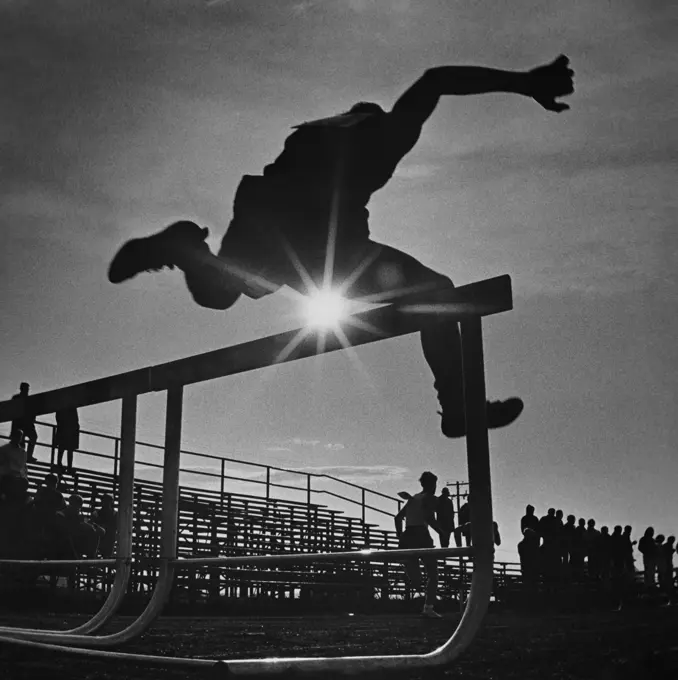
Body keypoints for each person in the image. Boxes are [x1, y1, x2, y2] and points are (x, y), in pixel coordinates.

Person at [109, 56, 575, 438]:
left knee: (222, 292)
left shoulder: (321, 131)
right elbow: (438, 80)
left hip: (265, 209)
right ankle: (456, 406)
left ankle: (185, 248)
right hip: (316, 238)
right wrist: (524, 83)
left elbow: (434, 80)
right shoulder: (385, 134)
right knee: (437, 289)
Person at [394, 471, 442, 618]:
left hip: (408, 535)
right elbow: (429, 517)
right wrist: (442, 532)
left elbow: (397, 518)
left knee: (417, 578)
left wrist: (401, 536)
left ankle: (420, 602)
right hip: (421, 534)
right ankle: (428, 607)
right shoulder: (428, 498)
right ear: (432, 484)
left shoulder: (413, 498)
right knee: (433, 574)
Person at [9, 382, 37, 461]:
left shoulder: (26, 399)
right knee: (21, 441)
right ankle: (23, 456)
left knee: (33, 437)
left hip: (26, 424)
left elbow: (33, 411)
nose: (27, 390)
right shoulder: (17, 398)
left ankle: (28, 456)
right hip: (20, 424)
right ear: (22, 389)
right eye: (26, 389)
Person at [91, 493, 118, 558]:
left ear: (111, 502)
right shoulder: (96, 513)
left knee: (107, 557)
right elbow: (92, 525)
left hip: (109, 539)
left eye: (108, 501)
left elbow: (117, 527)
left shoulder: (115, 514)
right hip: (98, 539)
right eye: (104, 500)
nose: (106, 503)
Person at [55, 407, 80, 472]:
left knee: (64, 447)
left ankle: (62, 465)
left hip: (66, 427)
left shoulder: (64, 404)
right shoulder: (70, 405)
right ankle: (67, 466)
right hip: (68, 427)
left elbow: (58, 416)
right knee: (67, 448)